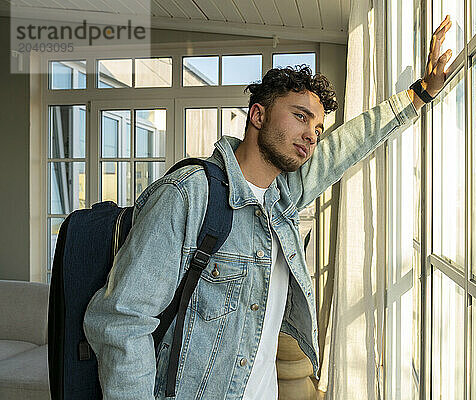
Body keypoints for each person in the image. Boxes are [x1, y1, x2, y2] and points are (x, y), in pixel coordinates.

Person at [83, 16, 453, 400]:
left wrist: (419, 95)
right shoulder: (187, 195)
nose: (311, 135)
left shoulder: (282, 199)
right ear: (258, 115)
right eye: (300, 117)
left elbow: (347, 147)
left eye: (317, 128)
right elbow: (121, 322)